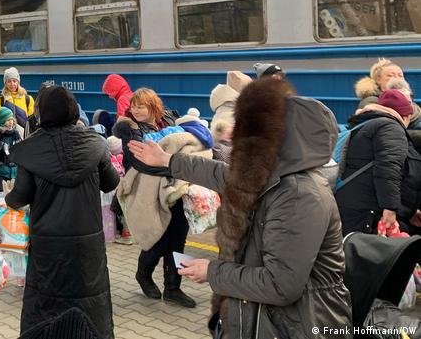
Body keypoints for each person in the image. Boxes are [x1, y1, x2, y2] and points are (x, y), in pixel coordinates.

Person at [128, 77, 351, 338]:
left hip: (298, 325)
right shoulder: (273, 174)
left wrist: (211, 271)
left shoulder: (300, 196)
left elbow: (280, 285)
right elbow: (220, 174)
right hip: (268, 320)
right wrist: (167, 160)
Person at [5, 86, 119, 337]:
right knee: (90, 304)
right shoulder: (94, 143)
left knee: (47, 307)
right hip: (87, 245)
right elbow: (111, 183)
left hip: (48, 248)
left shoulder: (30, 149)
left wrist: (7, 198)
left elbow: (19, 197)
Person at [112, 88, 195, 308]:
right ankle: (143, 274)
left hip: (173, 189)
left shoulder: (168, 120)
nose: (136, 110)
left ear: (153, 107)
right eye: (134, 106)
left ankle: (173, 288)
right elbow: (140, 163)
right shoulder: (129, 128)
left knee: (178, 239)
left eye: (142, 106)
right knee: (157, 239)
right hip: (146, 190)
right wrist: (175, 168)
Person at [336, 89, 420, 235]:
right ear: (406, 116)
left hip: (350, 206)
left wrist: (408, 211)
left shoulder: (364, 124)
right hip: (369, 212)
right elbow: (388, 169)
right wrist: (390, 208)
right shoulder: (391, 127)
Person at [0, 106, 23, 198]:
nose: (11, 122)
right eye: (7, 120)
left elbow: (20, 149)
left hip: (14, 171)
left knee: (14, 197)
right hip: (0, 171)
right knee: (0, 197)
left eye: (12, 119)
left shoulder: (16, 133)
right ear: (2, 121)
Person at [0, 67, 35, 133]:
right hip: (6, 136)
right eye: (9, 81)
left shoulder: (28, 99)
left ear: (18, 82)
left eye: (14, 81)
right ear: (5, 83)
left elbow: (32, 122)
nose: (12, 84)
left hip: (23, 137)